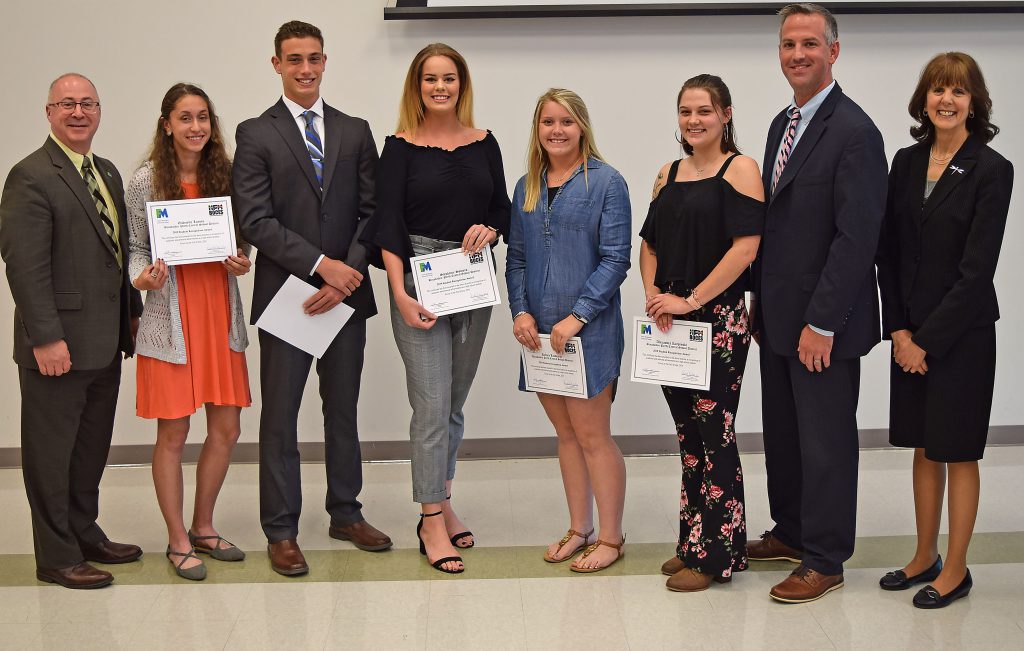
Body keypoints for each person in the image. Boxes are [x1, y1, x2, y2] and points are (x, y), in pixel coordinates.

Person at [233, 20, 391, 576]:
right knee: (279, 418)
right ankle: (280, 529)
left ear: (326, 62)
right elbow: (254, 218)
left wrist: (346, 271)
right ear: (276, 64)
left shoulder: (354, 131)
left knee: (342, 411)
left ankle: (346, 512)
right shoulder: (255, 134)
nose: (305, 69)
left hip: (346, 298)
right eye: (294, 59)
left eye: (314, 58)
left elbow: (374, 211)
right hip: (288, 300)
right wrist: (321, 267)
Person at [749, 3, 887, 603]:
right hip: (778, 317)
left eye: (809, 43)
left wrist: (822, 322)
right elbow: (777, 224)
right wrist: (758, 300)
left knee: (825, 441)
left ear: (834, 50)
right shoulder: (784, 124)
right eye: (787, 44)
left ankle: (825, 557)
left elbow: (857, 240)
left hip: (822, 325)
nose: (797, 54)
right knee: (783, 435)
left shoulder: (855, 132)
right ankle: (793, 530)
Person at [361, 44, 510, 574]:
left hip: (472, 279)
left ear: (461, 84)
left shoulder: (484, 142)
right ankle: (428, 518)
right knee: (429, 405)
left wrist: (491, 229)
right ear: (417, 86)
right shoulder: (399, 147)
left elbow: (502, 209)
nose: (440, 87)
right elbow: (387, 225)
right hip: (419, 279)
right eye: (431, 79)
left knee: (452, 403)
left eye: (449, 78)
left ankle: (444, 498)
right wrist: (399, 293)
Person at [875, 52, 1013, 609]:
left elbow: (978, 271)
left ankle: (956, 568)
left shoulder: (991, 168)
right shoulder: (905, 162)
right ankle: (923, 555)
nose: (947, 100)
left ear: (974, 102)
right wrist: (901, 333)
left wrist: (927, 340)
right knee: (924, 448)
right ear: (923, 99)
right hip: (910, 337)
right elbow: (889, 253)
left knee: (958, 452)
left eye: (958, 91)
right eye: (938, 90)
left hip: (962, 337)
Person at [0, 73, 144, 589]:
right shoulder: (30, 175)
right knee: (51, 454)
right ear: (49, 112)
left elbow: (117, 252)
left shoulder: (103, 170)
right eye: (67, 104)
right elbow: (25, 266)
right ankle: (56, 555)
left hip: (105, 343)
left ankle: (84, 531)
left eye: (87, 103)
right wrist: (45, 336)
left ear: (99, 110)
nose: (78, 112)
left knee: (90, 448)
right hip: (57, 346)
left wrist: (132, 315)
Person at [639, 74, 764, 592]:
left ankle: (716, 557)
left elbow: (745, 248)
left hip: (717, 320)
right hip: (668, 318)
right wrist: (654, 296)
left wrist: (691, 300)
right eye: (686, 111)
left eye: (704, 111)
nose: (694, 120)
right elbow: (648, 243)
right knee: (689, 439)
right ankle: (695, 541)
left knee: (716, 435)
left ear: (726, 114)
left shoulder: (742, 169)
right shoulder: (668, 173)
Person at [125, 83, 252, 581]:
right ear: (166, 124)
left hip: (218, 317)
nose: (196, 127)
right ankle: (177, 538)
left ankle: (203, 525)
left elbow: (240, 244)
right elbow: (136, 247)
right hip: (170, 323)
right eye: (185, 118)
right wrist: (143, 277)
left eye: (203, 117)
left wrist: (243, 262)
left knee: (227, 428)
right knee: (173, 433)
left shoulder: (227, 176)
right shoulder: (143, 182)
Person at [507, 88, 631, 573]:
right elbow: (516, 258)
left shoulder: (606, 182)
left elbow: (616, 258)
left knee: (593, 434)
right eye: (547, 122)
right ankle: (579, 529)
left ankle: (611, 537)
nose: (556, 130)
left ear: (582, 127)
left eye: (566, 121)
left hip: (588, 330)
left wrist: (577, 315)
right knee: (564, 434)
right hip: (537, 335)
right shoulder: (527, 186)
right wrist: (520, 312)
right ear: (537, 129)